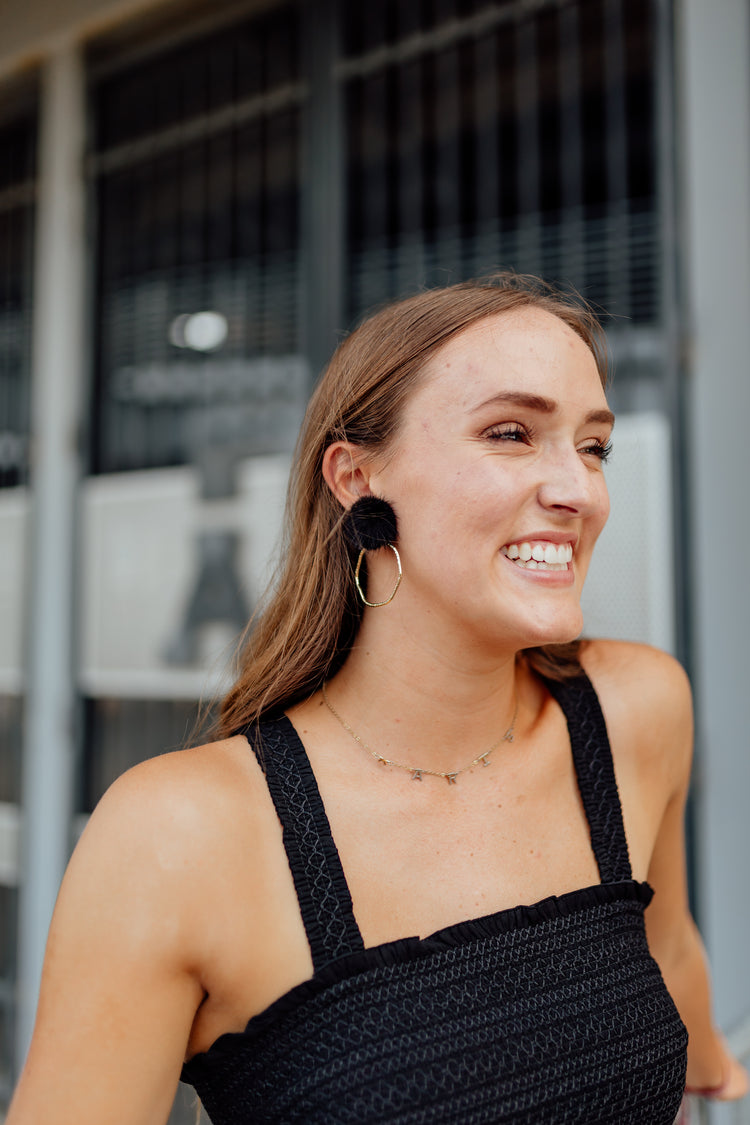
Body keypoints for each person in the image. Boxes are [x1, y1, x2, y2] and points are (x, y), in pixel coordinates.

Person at [8, 275, 748, 1124]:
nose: (579, 491)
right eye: (512, 433)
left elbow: (668, 945)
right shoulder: (178, 836)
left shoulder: (635, 709)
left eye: (593, 446)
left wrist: (714, 1059)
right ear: (358, 478)